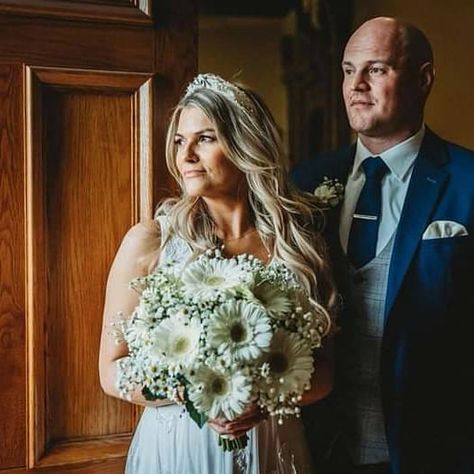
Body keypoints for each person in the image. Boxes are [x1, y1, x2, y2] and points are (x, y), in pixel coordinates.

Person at [99, 73, 337, 473]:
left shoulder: (298, 247)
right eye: (179, 141)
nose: (186, 154)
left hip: (272, 445)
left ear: (247, 145)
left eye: (204, 138)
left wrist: (261, 397)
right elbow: (111, 369)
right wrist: (198, 391)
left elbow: (325, 372)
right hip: (178, 448)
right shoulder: (151, 242)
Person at [291, 16, 474, 474]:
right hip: (319, 449)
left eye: (376, 70)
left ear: (423, 79)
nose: (356, 86)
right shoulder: (304, 184)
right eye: (348, 70)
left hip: (434, 450)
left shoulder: (469, 181)